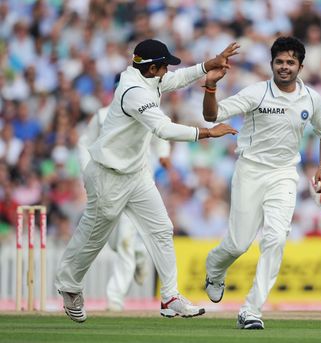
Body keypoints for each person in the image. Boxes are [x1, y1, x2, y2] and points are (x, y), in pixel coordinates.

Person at [55, 38, 239, 323]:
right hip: (108, 175)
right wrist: (207, 133)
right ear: (152, 68)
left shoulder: (149, 78)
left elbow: (176, 79)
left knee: (162, 229)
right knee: (93, 239)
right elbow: (163, 129)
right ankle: (69, 286)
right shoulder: (133, 91)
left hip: (136, 173)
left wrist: (208, 64)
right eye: (164, 66)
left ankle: (170, 297)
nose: (167, 70)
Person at [202, 36, 321, 329]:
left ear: (300, 65)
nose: (284, 67)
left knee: (275, 239)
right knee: (238, 244)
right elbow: (211, 115)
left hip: (284, 174)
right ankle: (214, 268)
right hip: (250, 170)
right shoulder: (256, 93)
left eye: (290, 62)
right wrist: (211, 86)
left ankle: (251, 309)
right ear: (271, 64)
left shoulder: (311, 98)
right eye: (279, 62)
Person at [77, 83, 171, 311]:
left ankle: (115, 299)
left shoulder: (148, 110)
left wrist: (163, 155)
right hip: (107, 185)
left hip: (136, 183)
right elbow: (83, 143)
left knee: (124, 241)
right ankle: (140, 253)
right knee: (113, 240)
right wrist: (86, 172)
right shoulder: (101, 115)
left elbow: (162, 133)